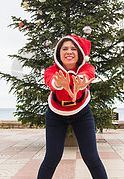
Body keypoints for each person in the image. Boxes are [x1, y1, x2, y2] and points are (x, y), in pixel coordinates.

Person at [37, 35, 108, 179]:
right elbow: (51, 81)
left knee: (92, 157)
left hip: (82, 114)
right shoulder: (51, 70)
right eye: (65, 49)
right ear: (59, 53)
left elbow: (87, 75)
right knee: (52, 158)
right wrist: (59, 83)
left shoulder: (87, 67)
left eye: (73, 49)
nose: (69, 52)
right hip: (56, 115)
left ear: (80, 53)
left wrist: (81, 81)